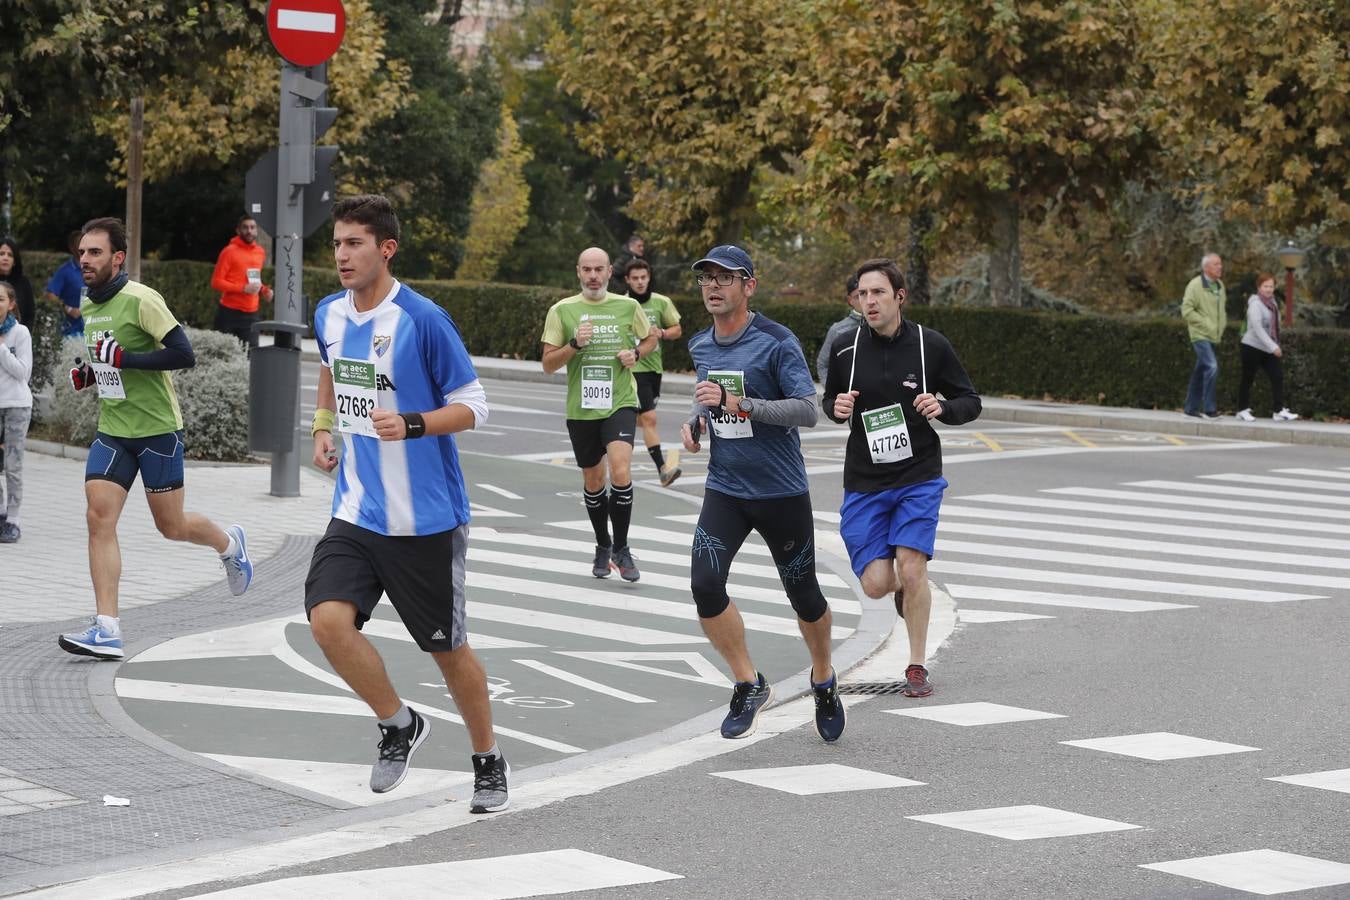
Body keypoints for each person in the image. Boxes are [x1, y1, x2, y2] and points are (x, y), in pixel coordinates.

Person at [307, 194, 509, 811]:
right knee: (326, 620)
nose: (342, 255)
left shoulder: (423, 319)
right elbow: (330, 368)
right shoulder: (328, 315)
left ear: (386, 248)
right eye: (337, 243)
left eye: (355, 243)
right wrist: (322, 425)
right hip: (357, 510)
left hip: (426, 520)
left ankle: (487, 760)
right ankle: (398, 723)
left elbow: (475, 404)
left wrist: (414, 424)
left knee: (448, 652)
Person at [57, 217, 253, 661]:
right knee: (98, 517)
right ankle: (107, 627)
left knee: (172, 526)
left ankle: (229, 544)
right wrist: (91, 373)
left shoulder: (142, 299)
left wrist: (125, 358)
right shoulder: (89, 304)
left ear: (118, 258)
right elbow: (109, 360)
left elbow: (184, 354)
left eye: (95, 253)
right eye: (82, 253)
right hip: (113, 429)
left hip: (158, 430)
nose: (84, 260)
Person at [679, 244, 845, 742]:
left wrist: (739, 403)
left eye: (724, 278)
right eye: (706, 278)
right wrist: (695, 423)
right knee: (705, 585)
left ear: (749, 287)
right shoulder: (700, 344)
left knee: (804, 594)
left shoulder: (776, 341)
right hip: (726, 488)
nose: (712, 286)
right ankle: (749, 683)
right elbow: (712, 401)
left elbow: (806, 410)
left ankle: (822, 676)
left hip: (781, 492)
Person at [822, 258, 982, 699]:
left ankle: (916, 665)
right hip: (866, 481)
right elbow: (829, 401)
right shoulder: (844, 349)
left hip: (919, 476)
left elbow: (970, 400)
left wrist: (943, 408)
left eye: (877, 293)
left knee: (913, 569)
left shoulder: (931, 346)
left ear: (899, 297)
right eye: (862, 294)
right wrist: (835, 409)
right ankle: (902, 594)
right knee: (876, 584)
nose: (868, 301)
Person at [541, 247, 656, 582]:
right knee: (594, 481)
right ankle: (602, 545)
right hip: (582, 408)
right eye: (587, 269)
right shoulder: (562, 311)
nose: (593, 276)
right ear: (578, 272)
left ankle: (621, 548)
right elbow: (548, 364)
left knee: (620, 471)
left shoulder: (628, 306)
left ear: (609, 273)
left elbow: (651, 339)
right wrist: (574, 344)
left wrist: (635, 352)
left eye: (599, 269)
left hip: (620, 401)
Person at [624, 258, 683, 487]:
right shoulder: (622, 304)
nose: (639, 282)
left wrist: (663, 333)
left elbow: (677, 329)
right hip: (631, 369)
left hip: (653, 370)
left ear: (649, 278)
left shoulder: (661, 302)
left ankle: (613, 430)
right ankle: (662, 469)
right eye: (635, 278)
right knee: (649, 418)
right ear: (628, 280)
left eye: (643, 278)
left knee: (639, 419)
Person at [1236, 272, 1298, 422]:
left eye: (1271, 286)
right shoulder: (1255, 304)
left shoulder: (1273, 303)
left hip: (1267, 347)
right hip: (1252, 346)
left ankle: (1278, 411)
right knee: (1248, 378)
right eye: (1265, 286)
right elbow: (1257, 327)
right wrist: (1273, 346)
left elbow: (1274, 326)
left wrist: (1274, 344)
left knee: (1277, 376)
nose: (1269, 289)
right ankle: (1242, 410)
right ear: (1259, 287)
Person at [0, 280, 32, 543]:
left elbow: (24, 372)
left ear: (11, 304)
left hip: (16, 407)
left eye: (0, 299)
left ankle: (14, 519)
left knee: (12, 465)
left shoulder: (19, 333)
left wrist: (0, 348)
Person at [211, 215, 273, 345]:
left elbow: (255, 280)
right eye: (245, 227)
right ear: (238, 231)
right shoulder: (229, 252)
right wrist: (242, 288)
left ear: (256, 230)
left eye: (252, 227)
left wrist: (264, 290)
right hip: (229, 313)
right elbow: (216, 281)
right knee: (225, 356)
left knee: (251, 356)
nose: (249, 231)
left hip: (252, 314)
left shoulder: (260, 252)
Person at [1181, 253, 1226, 419]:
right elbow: (1186, 310)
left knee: (1200, 371)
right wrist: (1205, 324)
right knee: (1212, 367)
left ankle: (1190, 409)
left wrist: (1219, 327)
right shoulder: (1195, 285)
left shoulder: (1220, 285)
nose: (1220, 267)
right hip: (1199, 335)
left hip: (1213, 335)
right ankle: (1210, 409)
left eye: (1220, 264)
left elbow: (1220, 311)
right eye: (1216, 264)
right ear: (1205, 268)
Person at [815, 273, 862, 384]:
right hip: (848, 398)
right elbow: (823, 364)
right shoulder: (838, 330)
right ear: (850, 300)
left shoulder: (887, 326)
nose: (864, 300)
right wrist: (833, 392)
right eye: (858, 296)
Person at [44, 230, 86, 337]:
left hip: (94, 326)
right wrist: (68, 308)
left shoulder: (95, 268)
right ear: (72, 248)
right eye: (79, 244)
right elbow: (50, 295)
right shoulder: (64, 271)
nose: (83, 247)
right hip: (72, 330)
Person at [0, 237, 35, 329]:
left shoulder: (23, 282)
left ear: (14, 261)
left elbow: (29, 314)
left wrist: (24, 335)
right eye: (2, 254)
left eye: (10, 255)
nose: (5, 258)